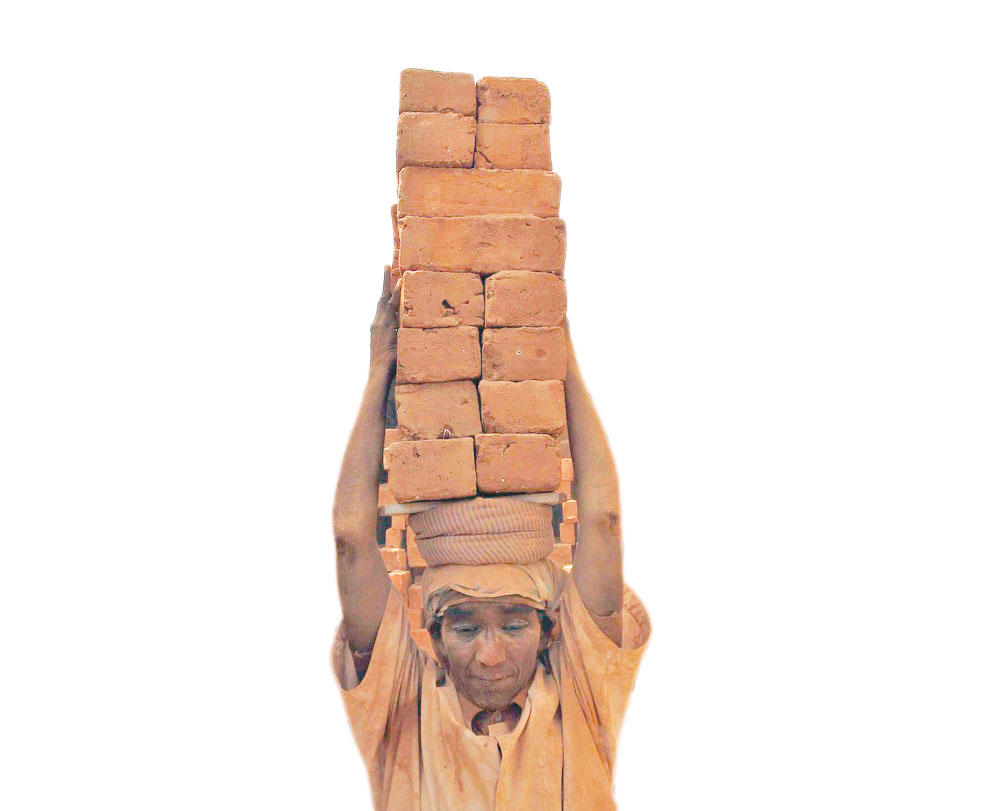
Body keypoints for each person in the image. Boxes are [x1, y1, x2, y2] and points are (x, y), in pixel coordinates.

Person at [331, 270, 651, 809]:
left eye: (515, 624)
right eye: (465, 627)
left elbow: (604, 522)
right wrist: (380, 370)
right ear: (434, 637)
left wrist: (556, 349)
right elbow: (350, 540)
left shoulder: (581, 699)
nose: (490, 654)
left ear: (548, 631)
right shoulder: (404, 712)